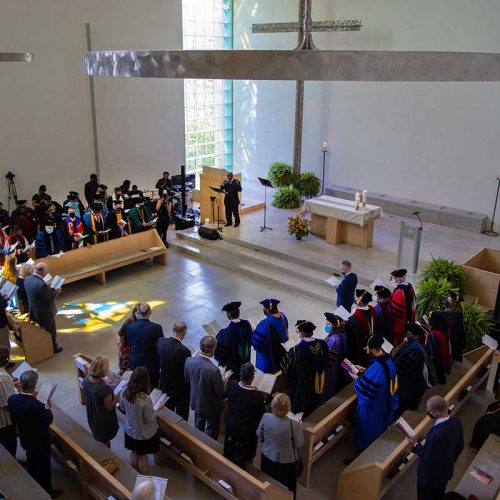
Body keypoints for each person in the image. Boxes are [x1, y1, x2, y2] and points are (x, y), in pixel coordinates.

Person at [8, 370, 63, 497]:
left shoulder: (12, 399)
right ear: (34, 385)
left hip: (25, 436)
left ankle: (32, 477)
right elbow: (47, 420)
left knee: (31, 457)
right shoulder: (36, 405)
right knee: (44, 465)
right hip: (39, 439)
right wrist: (47, 408)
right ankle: (47, 490)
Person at [409, 395, 464, 500]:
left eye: (428, 410)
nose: (426, 411)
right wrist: (449, 461)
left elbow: (428, 459)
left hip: (430, 478)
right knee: (439, 495)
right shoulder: (456, 421)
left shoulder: (437, 435)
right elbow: (460, 446)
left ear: (437, 412)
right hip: (445, 473)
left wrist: (416, 445)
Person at [350, 335, 399, 453]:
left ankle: (362, 454)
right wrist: (366, 370)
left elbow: (366, 393)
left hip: (374, 407)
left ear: (371, 348)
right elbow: (382, 378)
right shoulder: (388, 359)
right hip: (385, 399)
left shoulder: (377, 368)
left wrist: (356, 379)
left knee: (367, 430)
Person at [256, 393, 304, 495]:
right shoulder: (294, 425)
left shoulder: (266, 417)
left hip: (268, 456)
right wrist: (299, 427)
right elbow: (299, 443)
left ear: (273, 405)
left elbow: (258, 434)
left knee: (267, 483)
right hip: (287, 461)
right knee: (286, 489)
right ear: (288, 408)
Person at [120, 367, 164, 474]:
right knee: (143, 456)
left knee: (134, 452)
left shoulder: (124, 391)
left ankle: (134, 474)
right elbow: (149, 419)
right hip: (142, 433)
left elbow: (122, 408)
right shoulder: (145, 399)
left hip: (129, 429)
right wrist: (158, 409)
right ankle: (143, 478)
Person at [184, 336, 228, 439]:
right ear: (213, 349)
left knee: (198, 427)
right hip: (212, 405)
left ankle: (197, 443)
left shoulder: (189, 361)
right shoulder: (214, 370)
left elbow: (187, 379)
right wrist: (224, 381)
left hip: (197, 401)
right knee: (211, 431)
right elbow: (220, 390)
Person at [224, 363, 266, 468]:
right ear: (252, 378)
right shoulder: (257, 397)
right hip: (247, 430)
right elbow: (261, 415)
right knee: (246, 457)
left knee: (229, 448)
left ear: (240, 374)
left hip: (231, 425)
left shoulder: (232, 385)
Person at [283, 320, 329, 416]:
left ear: (301, 334)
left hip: (303, 386)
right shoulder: (322, 343)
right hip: (319, 380)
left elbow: (289, 370)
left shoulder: (297, 350)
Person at [394, 323, 435, 415]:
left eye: (409, 334)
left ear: (416, 337)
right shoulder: (418, 345)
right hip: (409, 386)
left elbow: (406, 371)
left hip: (405, 387)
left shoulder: (414, 352)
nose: (407, 335)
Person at [24, 262, 63, 353]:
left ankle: (44, 346)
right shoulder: (41, 284)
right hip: (44, 312)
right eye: (46, 271)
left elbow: (38, 294)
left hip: (34, 309)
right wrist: (56, 291)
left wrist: (49, 290)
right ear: (42, 271)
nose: (47, 273)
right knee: (49, 330)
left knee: (41, 331)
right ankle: (52, 348)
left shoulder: (28, 279)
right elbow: (49, 299)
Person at [82, 356, 120, 447]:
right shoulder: (104, 388)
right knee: (105, 440)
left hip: (93, 414)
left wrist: (104, 382)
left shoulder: (86, 380)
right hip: (103, 420)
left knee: (100, 436)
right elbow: (109, 407)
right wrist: (117, 397)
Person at [157, 321, 191, 420]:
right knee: (181, 414)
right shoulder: (185, 351)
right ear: (184, 333)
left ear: (173, 330)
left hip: (165, 383)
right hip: (179, 387)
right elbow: (185, 371)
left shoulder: (161, 342)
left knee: (167, 411)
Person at [125, 303, 164, 388]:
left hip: (136, 362)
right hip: (151, 365)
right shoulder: (156, 328)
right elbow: (160, 345)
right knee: (152, 387)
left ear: (139, 313)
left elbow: (129, 343)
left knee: (137, 385)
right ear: (149, 313)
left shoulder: (130, 327)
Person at [214, 301, 253, 381]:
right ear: (239, 313)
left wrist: (216, 338)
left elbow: (221, 354)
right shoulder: (247, 324)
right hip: (246, 359)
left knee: (236, 379)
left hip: (234, 365)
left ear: (228, 315)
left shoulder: (226, 333)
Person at [252, 299, 289, 374]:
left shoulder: (265, 323)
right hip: (282, 353)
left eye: (264, 308)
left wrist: (254, 331)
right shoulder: (283, 316)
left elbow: (256, 344)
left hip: (270, 359)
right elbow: (286, 332)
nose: (263, 310)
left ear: (268, 309)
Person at [345, 289, 377, 366]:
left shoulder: (354, 319)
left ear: (360, 301)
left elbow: (350, 341)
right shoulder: (372, 310)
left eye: (356, 297)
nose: (355, 299)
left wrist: (345, 324)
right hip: (371, 344)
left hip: (359, 350)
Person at [323, 312, 349, 399]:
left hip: (332, 367)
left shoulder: (334, 339)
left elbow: (328, 358)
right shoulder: (341, 332)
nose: (326, 326)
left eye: (328, 324)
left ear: (334, 325)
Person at [390, 269, 416, 346]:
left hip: (401, 323)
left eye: (395, 278)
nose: (394, 280)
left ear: (400, 279)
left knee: (397, 341)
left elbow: (395, 310)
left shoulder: (399, 292)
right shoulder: (409, 286)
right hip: (409, 316)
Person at [0, 345, 17, 457]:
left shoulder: (4, 377)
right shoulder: (3, 378)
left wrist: (11, 383)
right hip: (5, 421)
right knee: (9, 445)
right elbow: (9, 402)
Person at [428, 311, 452, 385]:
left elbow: (434, 353)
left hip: (437, 357)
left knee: (438, 364)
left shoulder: (434, 334)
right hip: (444, 353)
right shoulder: (445, 329)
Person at [116, 304, 139, 374]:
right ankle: (114, 380)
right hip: (127, 351)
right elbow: (119, 334)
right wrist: (120, 345)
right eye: (138, 313)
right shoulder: (129, 322)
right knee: (122, 369)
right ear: (134, 313)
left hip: (134, 349)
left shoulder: (141, 321)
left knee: (136, 369)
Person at [445, 291, 465, 363]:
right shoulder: (458, 308)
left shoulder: (454, 313)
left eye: (449, 300)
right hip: (456, 333)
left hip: (453, 334)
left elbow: (449, 322)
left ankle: (452, 359)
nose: (448, 301)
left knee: (452, 347)